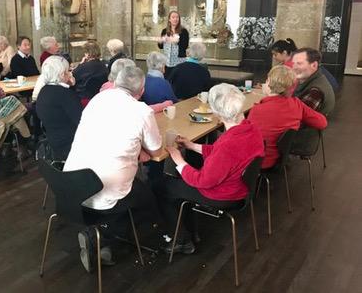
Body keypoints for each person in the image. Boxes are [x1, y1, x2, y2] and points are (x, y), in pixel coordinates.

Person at [64, 66, 163, 272]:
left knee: (125, 188)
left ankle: (103, 242)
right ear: (141, 91)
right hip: (107, 193)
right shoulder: (142, 111)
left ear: (116, 83)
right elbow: (156, 151)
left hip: (72, 187)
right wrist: (139, 151)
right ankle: (104, 237)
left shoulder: (97, 100)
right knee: (147, 198)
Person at [161, 83, 264, 253]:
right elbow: (220, 155)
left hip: (223, 194)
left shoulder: (228, 145)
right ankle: (190, 231)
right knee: (180, 180)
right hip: (240, 188)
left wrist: (179, 160)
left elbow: (203, 181)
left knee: (163, 187)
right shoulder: (251, 129)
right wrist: (192, 146)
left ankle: (182, 240)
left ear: (216, 113)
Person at [247, 65, 327, 169]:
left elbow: (245, 138)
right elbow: (322, 122)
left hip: (257, 163)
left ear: (269, 82)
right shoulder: (297, 104)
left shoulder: (257, 110)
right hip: (280, 158)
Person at [36, 56, 82, 161]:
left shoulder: (44, 91)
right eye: (68, 71)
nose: (70, 73)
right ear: (62, 74)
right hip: (71, 145)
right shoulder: (65, 94)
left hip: (54, 141)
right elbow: (81, 121)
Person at [291, 48, 335, 154]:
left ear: (314, 65)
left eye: (299, 63)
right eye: (293, 63)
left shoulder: (315, 91)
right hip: (304, 133)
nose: (294, 67)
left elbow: (296, 119)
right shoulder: (314, 80)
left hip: (301, 139)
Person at [157, 10, 189, 77]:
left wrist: (177, 41)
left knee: (178, 80)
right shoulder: (164, 31)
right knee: (168, 80)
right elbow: (161, 46)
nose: (175, 19)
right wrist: (160, 41)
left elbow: (185, 46)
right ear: (169, 19)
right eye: (173, 17)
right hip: (167, 62)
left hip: (179, 62)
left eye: (177, 17)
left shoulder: (184, 31)